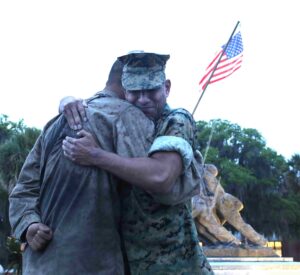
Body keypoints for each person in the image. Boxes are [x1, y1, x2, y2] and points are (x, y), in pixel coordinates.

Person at [61, 52, 214, 274]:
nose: (143, 99)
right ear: (124, 91)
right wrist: (67, 103)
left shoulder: (176, 121)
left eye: (151, 90)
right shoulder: (124, 123)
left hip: (176, 265)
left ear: (167, 87)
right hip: (128, 263)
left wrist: (95, 155)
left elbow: (160, 176)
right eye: (134, 91)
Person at [8, 59, 156, 275]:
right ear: (133, 84)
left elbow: (22, 192)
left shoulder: (56, 122)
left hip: (40, 267)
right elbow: (155, 187)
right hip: (96, 265)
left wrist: (29, 225)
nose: (147, 98)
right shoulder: (128, 116)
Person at [192, 164, 267, 247]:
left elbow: (209, 192)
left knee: (238, 224)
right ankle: (246, 241)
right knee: (236, 224)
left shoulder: (205, 174)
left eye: (205, 166)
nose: (203, 166)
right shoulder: (206, 176)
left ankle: (257, 240)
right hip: (221, 202)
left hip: (224, 202)